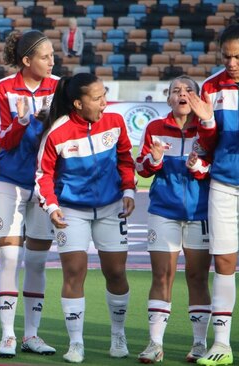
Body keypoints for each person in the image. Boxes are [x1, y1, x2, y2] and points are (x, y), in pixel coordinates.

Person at [35, 73, 136, 363]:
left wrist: (128, 189)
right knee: (75, 271)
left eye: (104, 95)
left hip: (111, 207)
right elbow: (43, 175)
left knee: (116, 272)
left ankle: (118, 334)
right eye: (97, 98)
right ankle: (76, 342)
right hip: (72, 211)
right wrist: (51, 206)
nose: (104, 102)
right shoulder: (57, 132)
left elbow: (126, 159)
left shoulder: (115, 122)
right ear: (78, 103)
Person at [135, 76, 213, 363]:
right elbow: (142, 169)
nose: (182, 94)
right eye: (175, 91)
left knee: (197, 277)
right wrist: (154, 160)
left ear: (198, 97)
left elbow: (219, 166)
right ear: (167, 99)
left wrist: (198, 165)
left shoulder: (207, 128)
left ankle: (200, 344)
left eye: (188, 90)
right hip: (163, 212)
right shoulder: (155, 128)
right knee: (162, 275)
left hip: (200, 212)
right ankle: (155, 344)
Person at [0, 29, 59, 358]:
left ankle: (31, 335)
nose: (51, 61)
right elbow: (4, 139)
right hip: (9, 179)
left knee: (36, 261)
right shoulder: (4, 88)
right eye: (45, 57)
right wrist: (24, 121)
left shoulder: (59, 86)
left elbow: (64, 136)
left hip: (45, 182)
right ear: (27, 60)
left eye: (52, 56)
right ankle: (6, 335)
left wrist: (49, 123)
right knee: (8, 257)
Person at [191, 23, 239, 366]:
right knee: (224, 261)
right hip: (224, 183)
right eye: (227, 56)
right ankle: (221, 343)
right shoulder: (211, 87)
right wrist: (207, 123)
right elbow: (207, 145)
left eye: (238, 57)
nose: (232, 63)